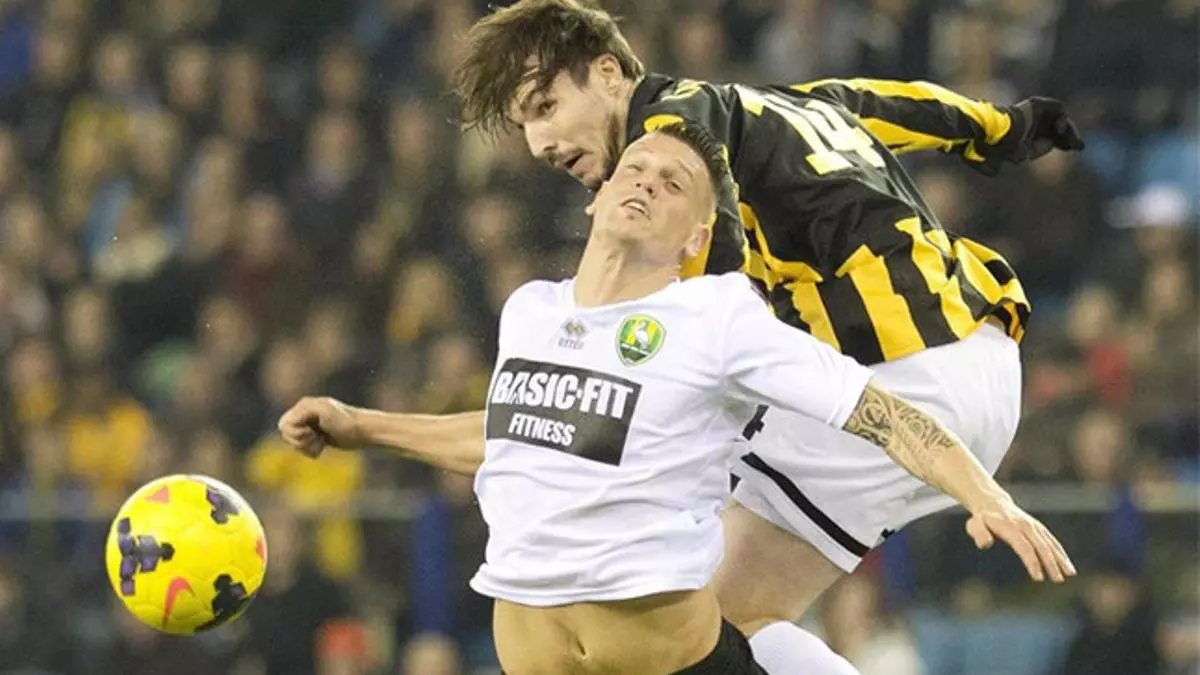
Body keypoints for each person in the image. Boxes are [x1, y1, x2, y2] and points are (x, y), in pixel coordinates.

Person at [291, 1, 1088, 671]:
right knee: (697, 561)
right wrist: (1005, 128)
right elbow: (889, 106)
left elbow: (717, 246)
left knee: (707, 621)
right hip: (979, 356)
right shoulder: (785, 104)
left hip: (904, 375)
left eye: (544, 106)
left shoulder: (677, 132)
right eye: (524, 123)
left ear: (610, 72)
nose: (538, 143)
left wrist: (702, 306)